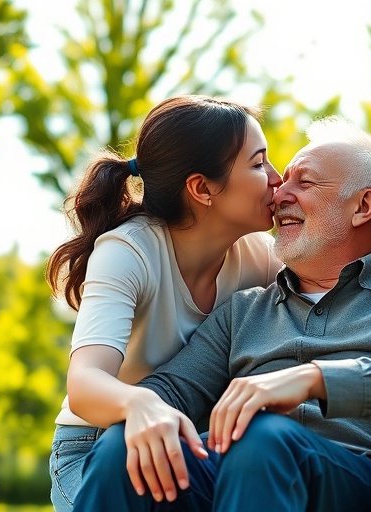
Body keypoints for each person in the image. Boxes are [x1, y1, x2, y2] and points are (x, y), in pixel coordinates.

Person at [71, 117, 371, 511]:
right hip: (235, 477)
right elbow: (169, 392)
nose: (279, 193)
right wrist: (143, 411)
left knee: (263, 439)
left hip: (360, 482)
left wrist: (316, 379)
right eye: (283, 180)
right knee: (121, 448)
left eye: (306, 182)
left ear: (363, 207)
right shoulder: (243, 311)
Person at [46, 95, 284, 512]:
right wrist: (139, 402)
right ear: (202, 188)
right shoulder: (128, 251)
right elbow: (85, 384)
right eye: (258, 163)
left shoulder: (260, 257)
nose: (277, 177)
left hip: (190, 451)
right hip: (95, 449)